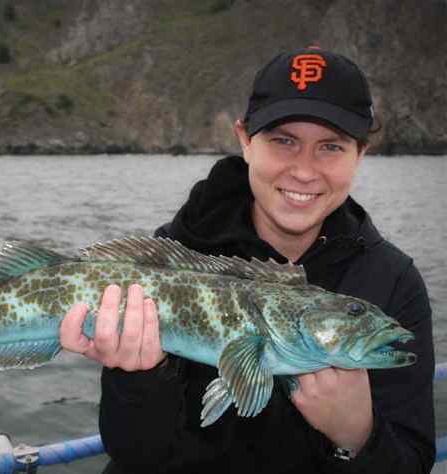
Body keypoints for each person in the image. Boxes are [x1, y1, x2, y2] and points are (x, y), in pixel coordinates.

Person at [59, 47, 436, 473]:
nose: (305, 171)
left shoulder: (394, 281)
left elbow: (412, 461)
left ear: (360, 155)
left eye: (330, 146)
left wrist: (356, 436)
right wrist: (137, 378)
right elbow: (137, 455)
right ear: (244, 139)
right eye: (283, 141)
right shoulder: (168, 263)